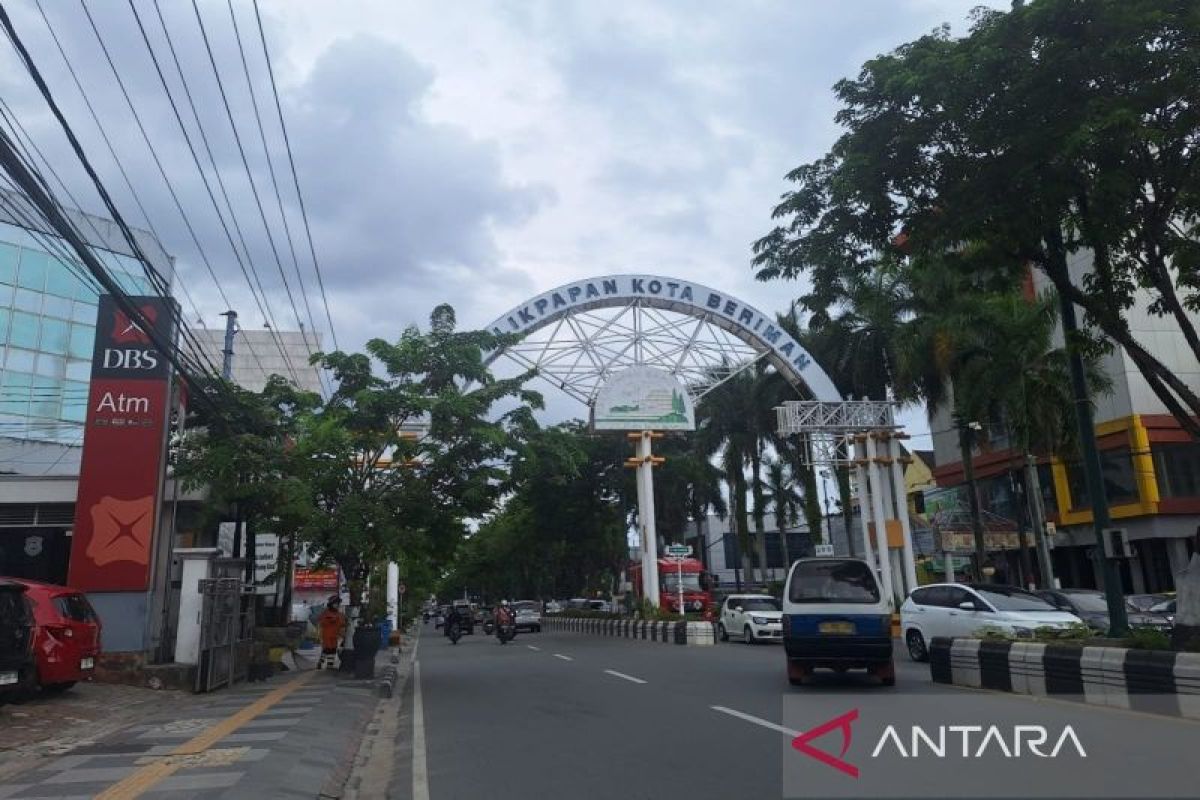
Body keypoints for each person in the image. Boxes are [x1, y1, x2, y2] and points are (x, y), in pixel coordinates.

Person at [317, 595, 346, 670]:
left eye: (337, 604)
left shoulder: (339, 614)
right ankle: (329, 665)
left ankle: (321, 662)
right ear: (331, 604)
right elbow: (322, 622)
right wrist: (331, 620)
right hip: (327, 635)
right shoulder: (326, 613)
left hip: (334, 635)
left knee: (332, 649)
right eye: (335, 603)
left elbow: (342, 623)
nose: (337, 605)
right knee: (328, 649)